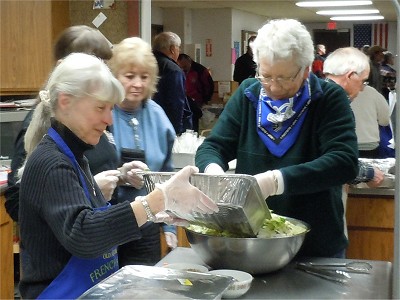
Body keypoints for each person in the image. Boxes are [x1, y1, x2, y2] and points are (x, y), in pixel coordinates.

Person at [17, 53, 218, 299]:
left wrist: (154, 213)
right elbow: (84, 233)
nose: (108, 119)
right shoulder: (51, 162)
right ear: (65, 101)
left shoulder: (75, 155)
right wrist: (157, 199)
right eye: (101, 107)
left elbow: (91, 218)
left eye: (111, 108)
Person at [195, 19, 359, 258]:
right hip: (252, 240)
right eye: (266, 75)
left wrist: (274, 181)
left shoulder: (329, 99)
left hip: (315, 245)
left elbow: (343, 162)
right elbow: (214, 146)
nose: (273, 87)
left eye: (284, 78)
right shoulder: (249, 93)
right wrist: (213, 172)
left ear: (305, 70)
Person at [4, 25, 119, 222]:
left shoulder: (96, 117)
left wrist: (122, 174)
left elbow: (98, 164)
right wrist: (91, 190)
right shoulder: (42, 127)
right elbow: (18, 202)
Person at [107, 37, 177, 266]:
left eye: (144, 77)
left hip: (145, 226)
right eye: (129, 76)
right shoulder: (102, 114)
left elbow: (167, 176)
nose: (137, 83)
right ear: (115, 77)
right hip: (105, 225)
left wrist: (168, 225)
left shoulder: (159, 118)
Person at [323, 47, 385, 187]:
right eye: (363, 81)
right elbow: (337, 163)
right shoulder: (336, 105)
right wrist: (369, 172)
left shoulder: (312, 94)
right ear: (350, 76)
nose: (362, 88)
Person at [152, 31, 193, 134]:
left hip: (151, 122)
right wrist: (176, 131)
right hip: (167, 124)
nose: (179, 51)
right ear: (172, 49)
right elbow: (176, 103)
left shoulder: (146, 63)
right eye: (178, 47)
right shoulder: (173, 69)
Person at [177, 53, 214, 132]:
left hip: (197, 102)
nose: (183, 69)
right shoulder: (179, 71)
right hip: (185, 101)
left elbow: (209, 86)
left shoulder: (200, 70)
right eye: (181, 67)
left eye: (185, 67)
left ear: (189, 61)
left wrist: (206, 100)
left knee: (194, 125)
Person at [351, 85, 390, 158]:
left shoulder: (333, 91)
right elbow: (385, 121)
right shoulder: (372, 92)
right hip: (369, 143)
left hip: (342, 144)